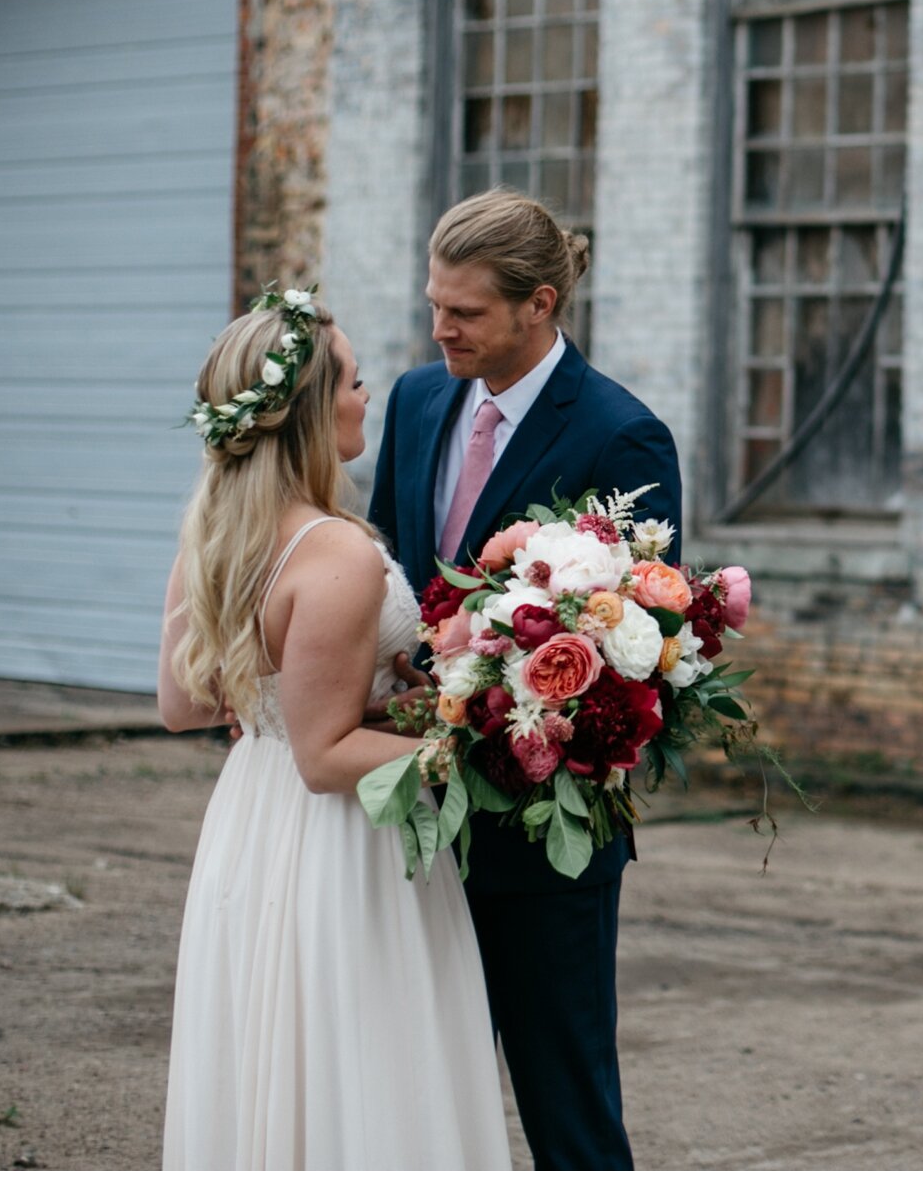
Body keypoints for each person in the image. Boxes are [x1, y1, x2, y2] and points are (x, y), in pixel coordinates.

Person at [156, 288, 510, 1170]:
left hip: (249, 822)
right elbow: (327, 756)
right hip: (339, 844)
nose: (366, 396)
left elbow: (183, 705)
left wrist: (289, 697)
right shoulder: (338, 554)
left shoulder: (213, 533)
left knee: (271, 1059)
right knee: (367, 1066)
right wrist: (482, 748)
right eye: (354, 381)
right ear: (314, 408)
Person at [368, 189, 681, 1171]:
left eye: (463, 312)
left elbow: (641, 649)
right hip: (412, 813)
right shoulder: (419, 399)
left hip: (544, 834)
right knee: (412, 1086)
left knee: (564, 1101)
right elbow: (386, 570)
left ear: (539, 304)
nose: (439, 328)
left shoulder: (621, 435)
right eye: (433, 305)